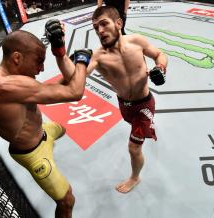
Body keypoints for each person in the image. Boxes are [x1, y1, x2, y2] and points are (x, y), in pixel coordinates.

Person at [0, 29, 92, 218]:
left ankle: (49, 137)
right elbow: (75, 92)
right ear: (17, 57)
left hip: (41, 131)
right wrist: (82, 61)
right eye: (39, 61)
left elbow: (56, 87)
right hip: (32, 152)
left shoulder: (11, 77)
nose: (41, 69)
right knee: (67, 201)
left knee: (61, 128)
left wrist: (61, 54)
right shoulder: (3, 86)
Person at [62, 6, 168, 193]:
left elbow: (160, 54)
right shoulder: (98, 56)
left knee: (134, 148)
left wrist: (160, 67)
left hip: (144, 105)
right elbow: (75, 77)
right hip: (124, 106)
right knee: (133, 128)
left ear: (119, 23)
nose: (100, 31)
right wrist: (61, 54)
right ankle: (141, 130)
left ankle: (135, 177)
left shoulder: (136, 41)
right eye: (95, 28)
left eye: (104, 24)